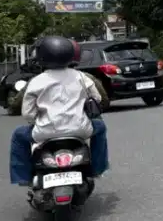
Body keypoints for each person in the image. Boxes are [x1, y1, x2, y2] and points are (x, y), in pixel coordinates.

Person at [9, 36, 110, 186]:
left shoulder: (36, 81)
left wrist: (38, 119)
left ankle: (23, 177)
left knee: (18, 135)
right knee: (100, 128)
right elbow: (97, 99)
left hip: (45, 132)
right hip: (81, 130)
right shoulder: (82, 77)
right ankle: (98, 168)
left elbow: (28, 113)